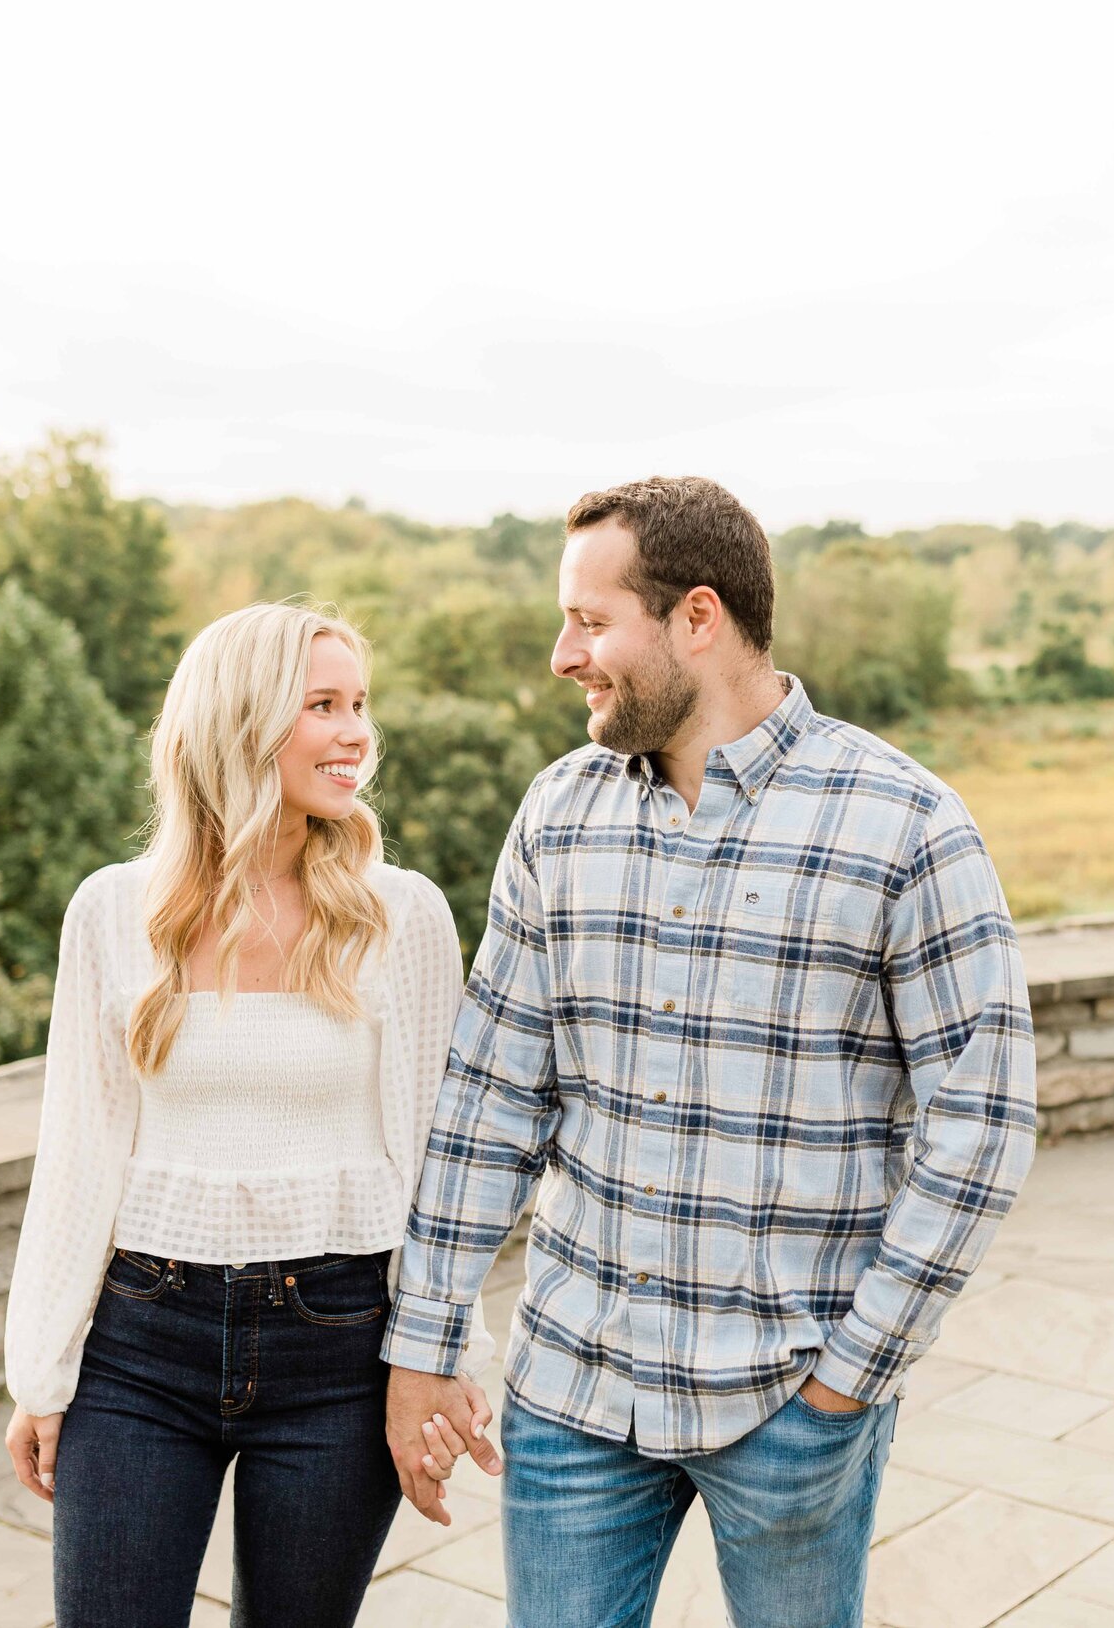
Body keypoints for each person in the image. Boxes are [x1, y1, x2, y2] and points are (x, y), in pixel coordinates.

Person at [380, 476, 1036, 1627]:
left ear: (696, 617)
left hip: (788, 1401)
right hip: (572, 1390)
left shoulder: (906, 824)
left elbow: (980, 1125)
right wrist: (424, 1339)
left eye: (590, 620)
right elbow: (490, 1094)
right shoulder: (558, 814)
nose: (559, 654)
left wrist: (849, 1376)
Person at [0, 602, 497, 1628]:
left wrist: (446, 1353)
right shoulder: (112, 909)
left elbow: (436, 1159)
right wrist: (41, 1369)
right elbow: (79, 1152)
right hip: (141, 1344)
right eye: (323, 704)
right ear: (240, 720)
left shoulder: (400, 913)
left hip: (339, 1348)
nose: (357, 730)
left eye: (360, 703)